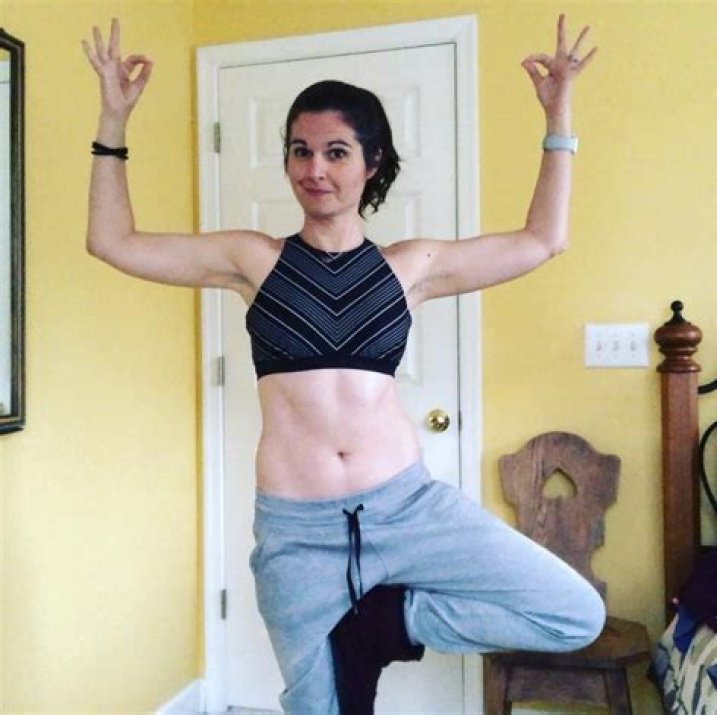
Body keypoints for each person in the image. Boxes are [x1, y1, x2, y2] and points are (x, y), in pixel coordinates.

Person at [83, 15, 602, 715]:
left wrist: (558, 116)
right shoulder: (253, 261)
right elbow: (112, 241)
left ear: (372, 162)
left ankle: (388, 624)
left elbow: (544, 239)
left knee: (573, 613)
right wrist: (113, 121)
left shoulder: (411, 267)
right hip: (298, 535)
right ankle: (363, 637)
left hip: (408, 509)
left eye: (335, 151)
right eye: (300, 151)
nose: (315, 169)